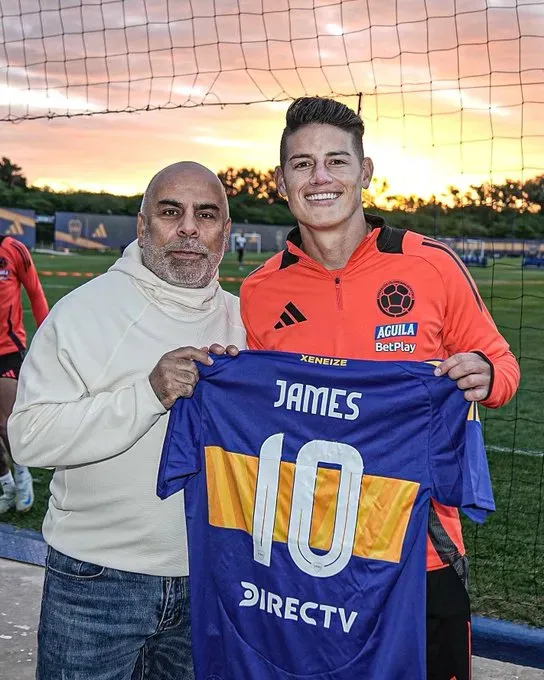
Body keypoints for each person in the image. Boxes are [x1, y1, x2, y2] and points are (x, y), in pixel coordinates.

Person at [240, 97, 520, 680]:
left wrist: (485, 375)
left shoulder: (431, 266)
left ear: (365, 174)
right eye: (302, 164)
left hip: (424, 548)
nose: (320, 178)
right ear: (281, 180)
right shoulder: (260, 291)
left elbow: (502, 367)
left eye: (337, 162)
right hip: (310, 554)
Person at [8, 161, 246, 680]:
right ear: (142, 226)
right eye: (170, 212)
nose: (188, 228)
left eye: (205, 215)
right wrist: (149, 393)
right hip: (95, 582)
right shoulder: (82, 312)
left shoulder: (247, 320)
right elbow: (27, 438)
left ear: (225, 233)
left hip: (213, 579)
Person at [0, 234, 48, 513]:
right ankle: (6, 484)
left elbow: (35, 293)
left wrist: (47, 339)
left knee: (5, 423)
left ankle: (22, 476)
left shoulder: (13, 249)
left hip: (7, 349)